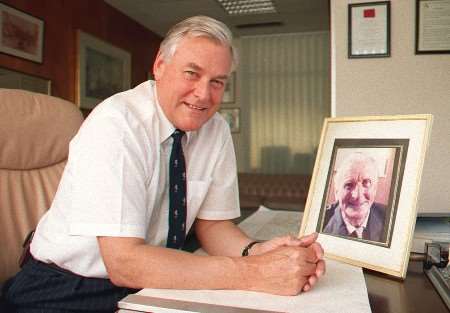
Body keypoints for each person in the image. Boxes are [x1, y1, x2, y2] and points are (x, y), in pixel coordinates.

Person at [2, 16, 325, 312]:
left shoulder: (216, 129)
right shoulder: (116, 122)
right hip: (65, 287)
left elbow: (213, 225)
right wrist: (255, 273)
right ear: (159, 65)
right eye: (192, 73)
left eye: (217, 82)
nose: (203, 94)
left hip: (149, 275)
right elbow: (124, 261)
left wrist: (257, 252)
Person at [322, 152, 386, 242]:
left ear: (375, 189)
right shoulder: (320, 221)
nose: (357, 196)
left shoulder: (390, 218)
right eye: (348, 185)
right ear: (337, 192)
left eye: (366, 183)